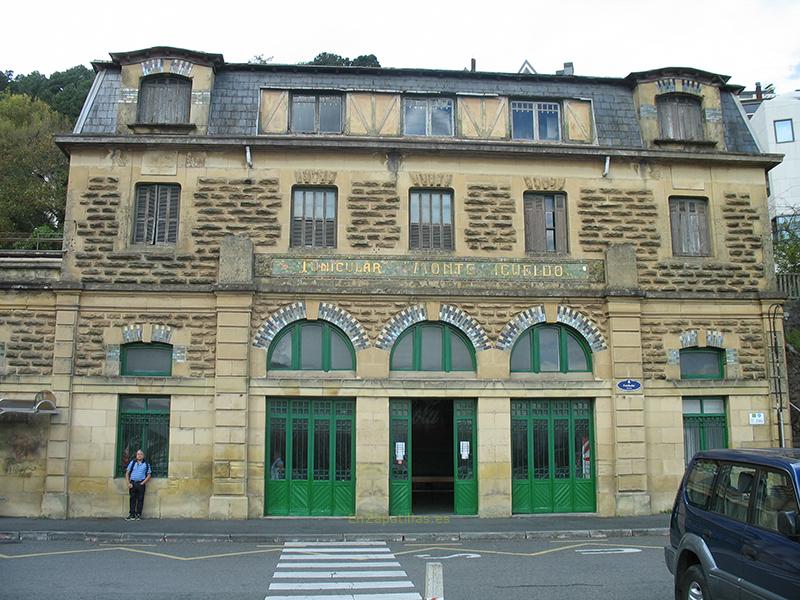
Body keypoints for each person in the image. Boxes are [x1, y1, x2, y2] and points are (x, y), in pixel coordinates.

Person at [125, 449, 151, 520]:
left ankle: (138, 514)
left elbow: (149, 475)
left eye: (140, 454)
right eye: (138, 454)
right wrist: (128, 483)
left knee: (140, 499)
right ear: (136, 455)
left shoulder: (146, 464)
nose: (139, 455)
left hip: (141, 483)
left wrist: (143, 483)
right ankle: (132, 514)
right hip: (132, 483)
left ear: (143, 456)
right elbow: (127, 473)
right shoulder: (132, 463)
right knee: (132, 499)